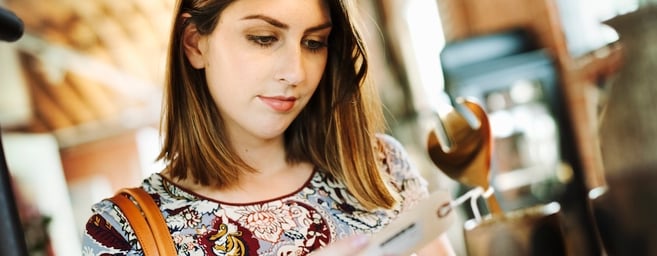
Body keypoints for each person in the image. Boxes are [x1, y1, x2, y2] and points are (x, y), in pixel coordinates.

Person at [81, 0, 455, 255]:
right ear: (195, 44)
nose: (295, 72)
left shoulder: (380, 166)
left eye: (314, 43)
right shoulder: (123, 232)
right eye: (263, 38)